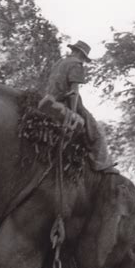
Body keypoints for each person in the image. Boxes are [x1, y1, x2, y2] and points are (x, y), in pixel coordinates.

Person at [45, 40, 116, 172]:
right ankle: (102, 165)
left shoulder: (59, 63)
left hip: (51, 97)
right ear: (79, 53)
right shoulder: (76, 64)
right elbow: (74, 92)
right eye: (83, 58)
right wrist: (73, 112)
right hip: (65, 101)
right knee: (95, 130)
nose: (83, 61)